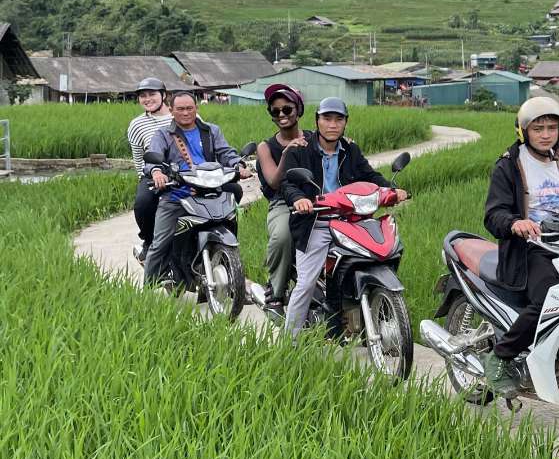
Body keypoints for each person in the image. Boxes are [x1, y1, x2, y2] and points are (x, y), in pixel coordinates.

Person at [482, 96, 559, 399]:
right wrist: (515, 223)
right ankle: (500, 357)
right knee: (550, 298)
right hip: (527, 249)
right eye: (538, 128)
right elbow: (494, 214)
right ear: (523, 131)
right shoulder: (508, 165)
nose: (545, 134)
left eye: (551, 127)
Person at [279, 97, 407, 336]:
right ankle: (290, 340)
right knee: (306, 282)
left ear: (345, 123)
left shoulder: (350, 149)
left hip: (350, 221)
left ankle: (370, 312)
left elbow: (369, 175)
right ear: (317, 120)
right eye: (327, 119)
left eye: (339, 119)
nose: (332, 125)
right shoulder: (301, 150)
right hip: (316, 222)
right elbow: (288, 183)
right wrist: (299, 199)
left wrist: (391, 189)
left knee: (383, 253)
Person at [142, 91, 247, 288]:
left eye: (189, 108)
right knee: (160, 242)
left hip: (209, 191)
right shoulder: (163, 134)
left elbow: (226, 152)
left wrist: (238, 165)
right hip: (178, 193)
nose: (185, 113)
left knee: (230, 218)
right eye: (180, 109)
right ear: (171, 111)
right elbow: (153, 157)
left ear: (196, 109)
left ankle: (232, 274)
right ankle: (147, 289)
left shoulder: (211, 131)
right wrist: (157, 172)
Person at [256, 84, 311, 310]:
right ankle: (276, 290)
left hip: (314, 198)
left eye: (287, 109)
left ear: (298, 110)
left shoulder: (313, 138)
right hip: (282, 203)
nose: (281, 115)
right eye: (275, 111)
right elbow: (274, 182)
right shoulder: (265, 147)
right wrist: (288, 152)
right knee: (283, 237)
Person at [126, 77, 172, 262]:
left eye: (152, 94)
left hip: (186, 171)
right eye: (143, 96)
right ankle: (149, 241)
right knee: (143, 204)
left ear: (163, 95)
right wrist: (144, 177)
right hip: (153, 172)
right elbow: (138, 156)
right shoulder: (137, 125)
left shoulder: (182, 114)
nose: (147, 99)